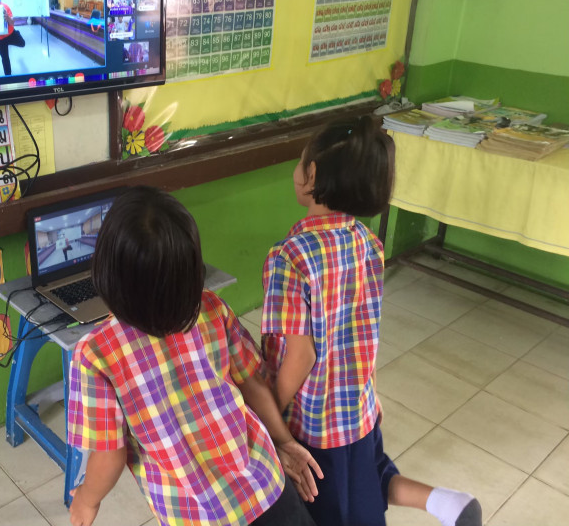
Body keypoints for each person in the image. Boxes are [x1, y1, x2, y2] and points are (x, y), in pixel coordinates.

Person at [261, 117, 482, 526]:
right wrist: (372, 392)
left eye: (299, 162)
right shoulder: (369, 243)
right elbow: (365, 333)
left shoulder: (289, 257)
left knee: (328, 512)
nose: (295, 171)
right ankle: (445, 503)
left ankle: (444, 503)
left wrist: (271, 415)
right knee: (364, 489)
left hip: (313, 423)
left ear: (312, 174)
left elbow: (301, 355)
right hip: (358, 409)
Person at [67, 186, 321, 526]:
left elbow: (110, 456)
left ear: (105, 273)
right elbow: (253, 384)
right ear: (191, 270)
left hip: (197, 514)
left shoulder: (95, 355)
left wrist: (86, 500)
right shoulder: (212, 308)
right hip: (265, 489)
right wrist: (284, 441)